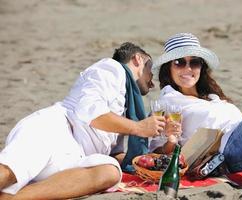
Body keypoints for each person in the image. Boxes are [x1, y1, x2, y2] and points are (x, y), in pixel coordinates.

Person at [0, 42, 165, 199]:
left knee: (111, 172)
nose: (152, 82)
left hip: (74, 159)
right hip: (56, 131)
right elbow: (91, 113)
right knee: (11, 171)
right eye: (151, 70)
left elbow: (115, 154)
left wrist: (151, 161)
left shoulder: (126, 107)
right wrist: (138, 128)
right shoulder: (111, 69)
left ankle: (12, 198)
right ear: (138, 59)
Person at [150, 32, 242, 173]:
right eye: (179, 62)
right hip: (233, 155)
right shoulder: (168, 101)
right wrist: (171, 140)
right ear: (168, 68)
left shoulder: (210, 96)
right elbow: (155, 154)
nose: (188, 68)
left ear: (201, 67)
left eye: (194, 62)